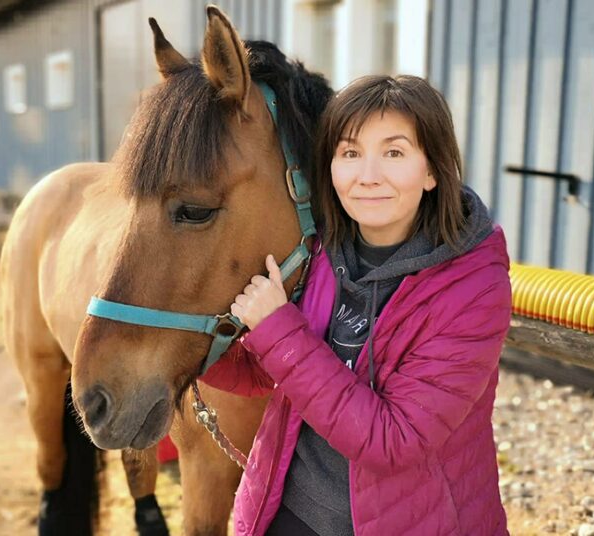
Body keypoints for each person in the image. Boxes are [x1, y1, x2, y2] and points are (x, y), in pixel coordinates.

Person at [204, 74, 512, 535]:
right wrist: (184, 342)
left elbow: (394, 441)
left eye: (393, 152)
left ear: (432, 170)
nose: (368, 176)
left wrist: (277, 328)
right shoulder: (321, 250)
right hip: (289, 510)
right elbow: (262, 371)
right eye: (350, 153)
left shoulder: (473, 288)